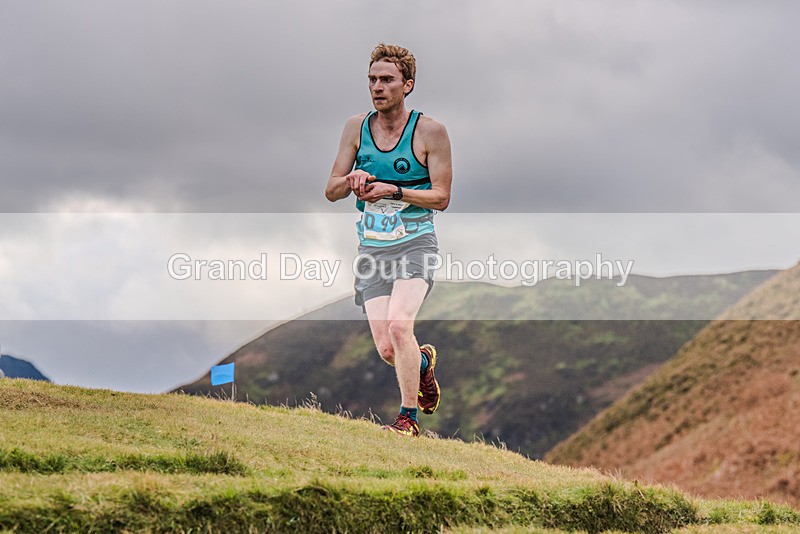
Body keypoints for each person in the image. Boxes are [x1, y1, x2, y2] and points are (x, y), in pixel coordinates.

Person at [325, 43, 453, 437]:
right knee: (387, 348)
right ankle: (423, 365)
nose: (377, 87)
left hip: (416, 243)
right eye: (372, 80)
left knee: (400, 326)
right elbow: (331, 190)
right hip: (372, 250)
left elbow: (442, 197)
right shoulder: (356, 128)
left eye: (387, 80)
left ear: (407, 85)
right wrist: (352, 181)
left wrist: (394, 190)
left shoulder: (430, 131)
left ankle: (407, 420)